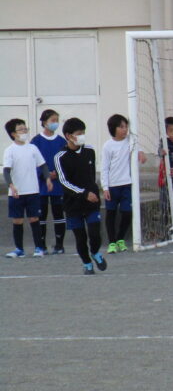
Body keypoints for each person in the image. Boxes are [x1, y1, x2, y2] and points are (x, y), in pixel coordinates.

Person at [54, 118, 107, 275]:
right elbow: (64, 182)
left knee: (95, 233)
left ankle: (95, 252)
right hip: (73, 204)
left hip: (92, 202)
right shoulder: (60, 157)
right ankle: (87, 263)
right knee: (80, 237)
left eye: (83, 133)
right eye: (79, 133)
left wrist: (93, 191)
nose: (82, 136)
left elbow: (91, 176)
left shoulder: (89, 150)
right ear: (68, 136)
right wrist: (84, 193)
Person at [4, 118, 51, 258]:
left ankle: (39, 248)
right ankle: (19, 249)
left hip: (33, 191)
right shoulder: (10, 150)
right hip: (16, 192)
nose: (24, 132)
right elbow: (6, 171)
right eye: (21, 129)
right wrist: (11, 185)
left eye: (25, 129)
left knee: (34, 218)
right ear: (13, 133)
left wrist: (48, 178)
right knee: (17, 220)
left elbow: (43, 165)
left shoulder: (32, 148)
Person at [101, 113, 146, 253]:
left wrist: (141, 154)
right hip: (112, 186)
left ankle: (120, 239)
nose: (124, 129)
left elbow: (139, 151)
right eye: (121, 127)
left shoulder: (130, 141)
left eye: (126, 126)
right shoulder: (108, 146)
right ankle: (112, 242)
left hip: (127, 185)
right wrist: (105, 187)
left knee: (127, 212)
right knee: (111, 214)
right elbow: (104, 167)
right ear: (113, 128)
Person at [31, 109, 67, 254]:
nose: (55, 123)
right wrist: (44, 175)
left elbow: (66, 160)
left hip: (58, 184)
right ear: (44, 122)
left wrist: (58, 174)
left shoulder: (61, 141)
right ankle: (42, 245)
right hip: (41, 185)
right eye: (53, 120)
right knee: (42, 215)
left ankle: (59, 245)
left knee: (59, 214)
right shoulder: (36, 141)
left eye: (57, 120)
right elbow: (33, 161)